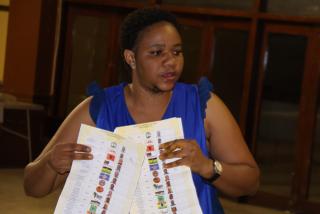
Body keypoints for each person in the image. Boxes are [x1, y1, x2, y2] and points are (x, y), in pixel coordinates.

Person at [24, 7, 260, 213]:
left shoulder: (204, 106)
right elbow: (32, 187)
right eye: (157, 53)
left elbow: (250, 181)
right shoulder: (98, 110)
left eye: (177, 51)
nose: (171, 62)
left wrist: (208, 166)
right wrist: (50, 164)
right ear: (131, 58)